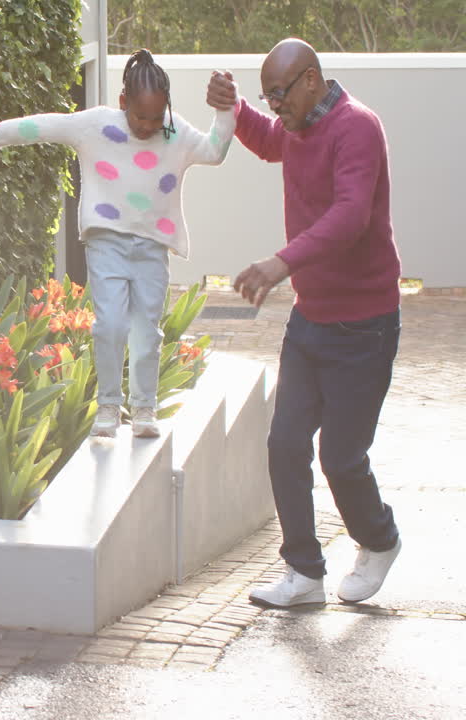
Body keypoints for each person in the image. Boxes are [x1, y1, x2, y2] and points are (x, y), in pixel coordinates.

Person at [206, 39, 403, 608]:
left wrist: (281, 261)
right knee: (285, 443)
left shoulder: (357, 127)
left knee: (341, 458)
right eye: (267, 95)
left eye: (279, 94)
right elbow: (272, 143)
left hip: (365, 325)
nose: (275, 107)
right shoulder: (294, 126)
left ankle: (380, 540)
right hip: (310, 320)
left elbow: (350, 216)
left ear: (311, 79)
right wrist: (236, 107)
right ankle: (304, 574)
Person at [0, 49, 234, 439]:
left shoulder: (173, 130)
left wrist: (226, 109)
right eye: (140, 117)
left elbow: (214, 151)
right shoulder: (98, 125)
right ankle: (107, 404)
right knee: (111, 325)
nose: (149, 126)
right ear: (123, 104)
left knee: (146, 331)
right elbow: (46, 126)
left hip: (152, 247)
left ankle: (144, 408)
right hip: (106, 241)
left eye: (157, 116)